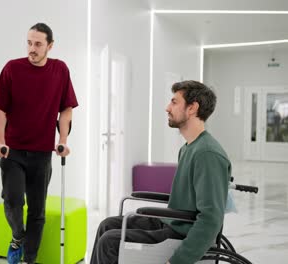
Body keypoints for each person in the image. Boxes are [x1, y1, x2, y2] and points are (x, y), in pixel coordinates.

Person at [90, 80, 231, 264]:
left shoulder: (207, 154)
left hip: (182, 232)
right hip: (172, 221)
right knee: (107, 225)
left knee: (110, 242)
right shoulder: (189, 148)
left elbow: (211, 219)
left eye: (174, 102)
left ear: (192, 108)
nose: (167, 108)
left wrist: (178, 260)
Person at [0, 22, 78, 264]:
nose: (32, 48)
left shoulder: (60, 70)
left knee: (37, 210)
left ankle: (30, 259)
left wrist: (62, 141)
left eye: (38, 44)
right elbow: (0, 108)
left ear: (50, 45)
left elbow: (66, 109)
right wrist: (0, 141)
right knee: (12, 199)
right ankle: (17, 236)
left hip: (41, 152)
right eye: (29, 43)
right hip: (13, 150)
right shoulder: (12, 68)